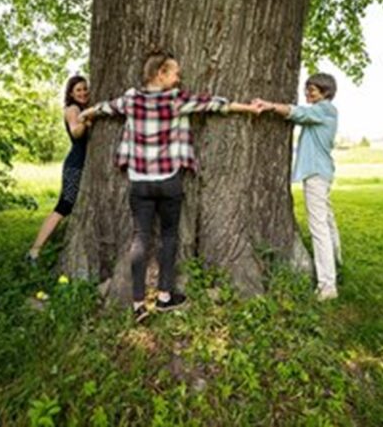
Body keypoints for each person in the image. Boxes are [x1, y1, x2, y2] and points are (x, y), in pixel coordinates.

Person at [79, 50, 260, 322]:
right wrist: (248, 108)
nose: (179, 77)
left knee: (140, 238)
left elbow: (106, 107)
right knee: (169, 237)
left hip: (140, 182)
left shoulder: (131, 100)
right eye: (175, 72)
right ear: (160, 73)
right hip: (168, 182)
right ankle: (165, 297)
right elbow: (213, 104)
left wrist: (86, 114)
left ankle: (138, 303)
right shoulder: (177, 100)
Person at [253, 73, 342, 302]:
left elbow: (297, 112)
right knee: (327, 221)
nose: (307, 94)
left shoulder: (325, 110)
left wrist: (270, 105)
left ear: (326, 92)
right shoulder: (322, 112)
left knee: (318, 227)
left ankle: (328, 285)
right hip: (320, 173)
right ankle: (337, 263)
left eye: (312, 90)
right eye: (307, 89)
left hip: (316, 175)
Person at [24, 76, 91, 267]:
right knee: (64, 206)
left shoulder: (83, 107)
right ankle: (34, 251)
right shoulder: (73, 109)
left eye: (85, 89)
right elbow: (76, 131)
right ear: (71, 93)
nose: (83, 92)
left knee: (69, 205)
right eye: (78, 90)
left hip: (82, 164)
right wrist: (86, 120)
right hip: (75, 165)